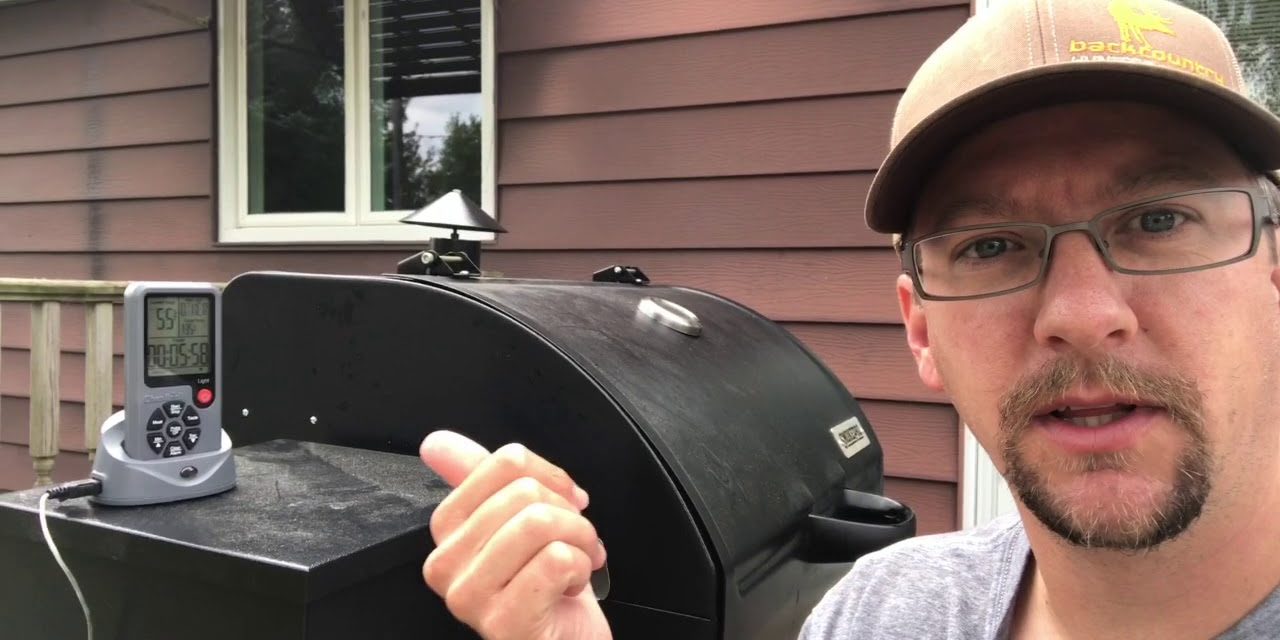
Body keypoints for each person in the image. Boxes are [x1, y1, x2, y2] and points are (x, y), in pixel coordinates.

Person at [417, 0, 1280, 637]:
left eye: (1159, 221)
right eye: (991, 247)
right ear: (919, 329)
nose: (1083, 314)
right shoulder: (882, 612)